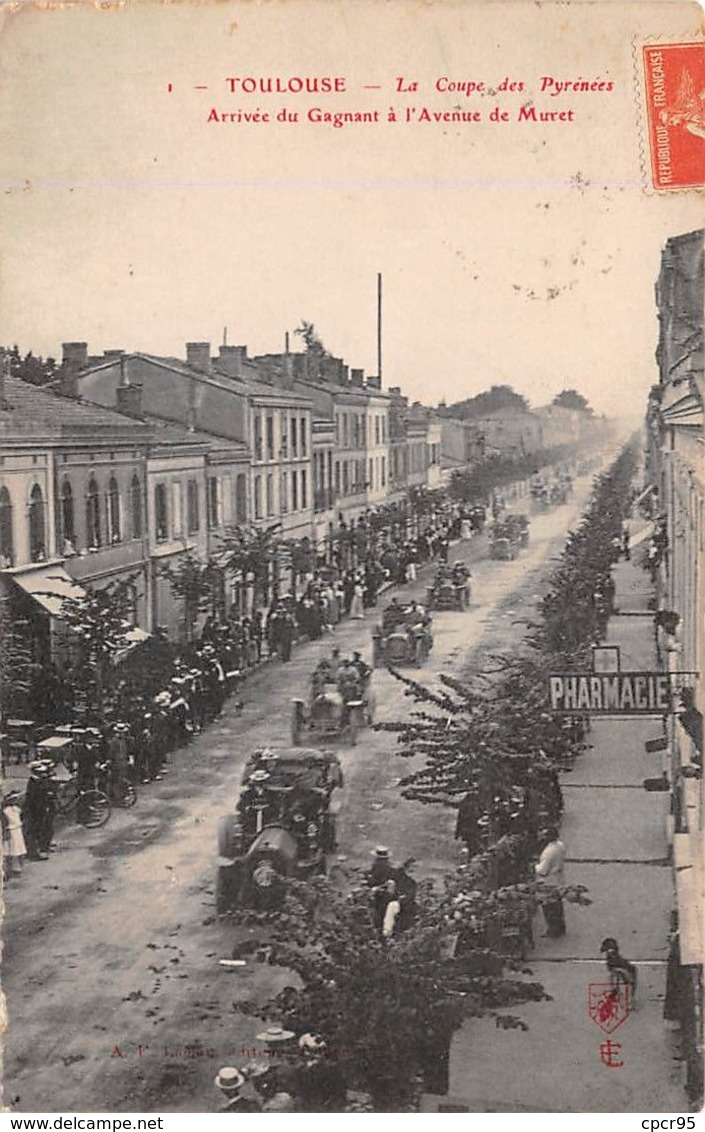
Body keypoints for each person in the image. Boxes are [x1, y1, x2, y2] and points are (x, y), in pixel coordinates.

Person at [535, 827, 566, 938]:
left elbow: (543, 870)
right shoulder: (560, 846)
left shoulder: (549, 852)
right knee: (557, 904)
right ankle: (561, 927)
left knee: (549, 907)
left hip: (548, 882)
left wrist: (534, 867)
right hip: (558, 878)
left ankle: (553, 930)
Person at [2, 790, 27, 879]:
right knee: (11, 851)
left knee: (19, 850)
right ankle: (11, 869)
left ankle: (17, 867)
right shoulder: (5, 811)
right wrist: (6, 832)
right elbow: (5, 823)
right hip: (11, 831)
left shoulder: (16, 809)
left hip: (18, 830)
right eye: (12, 800)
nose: (14, 801)